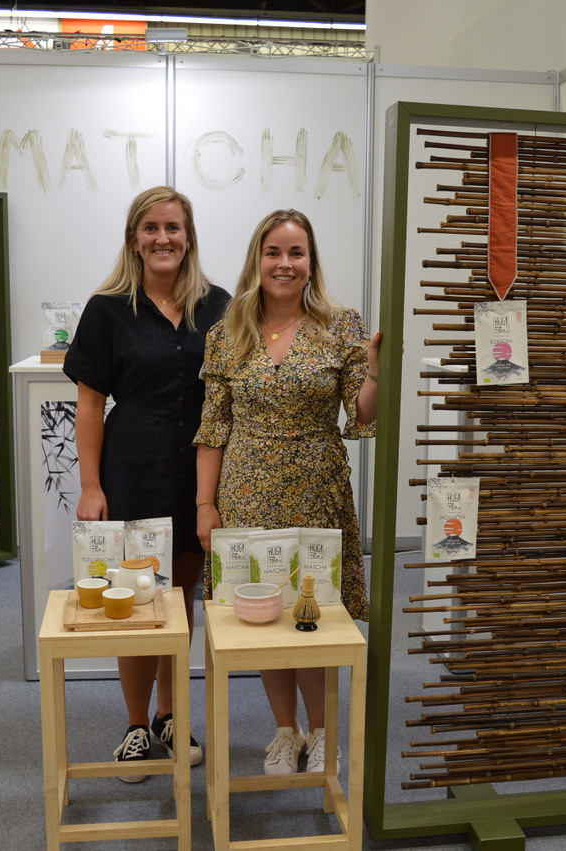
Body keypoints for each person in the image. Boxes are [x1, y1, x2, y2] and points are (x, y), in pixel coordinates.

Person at [194, 208, 379, 775]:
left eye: (296, 253)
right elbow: (213, 428)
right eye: (273, 252)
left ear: (311, 263)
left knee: (314, 615)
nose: (284, 263)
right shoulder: (227, 333)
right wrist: (205, 505)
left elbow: (361, 415)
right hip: (245, 494)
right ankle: (285, 730)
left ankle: (322, 733)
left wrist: (375, 372)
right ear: (257, 259)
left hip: (316, 493)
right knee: (261, 616)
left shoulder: (341, 326)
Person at [64, 186, 230, 781]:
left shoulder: (218, 305)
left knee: (180, 600)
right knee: (135, 603)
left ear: (189, 237)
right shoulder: (107, 309)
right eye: (151, 228)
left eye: (173, 228)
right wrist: (91, 485)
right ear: (135, 239)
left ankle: (169, 715)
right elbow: (89, 405)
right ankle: (136, 725)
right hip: (132, 469)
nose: (163, 238)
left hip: (198, 477)